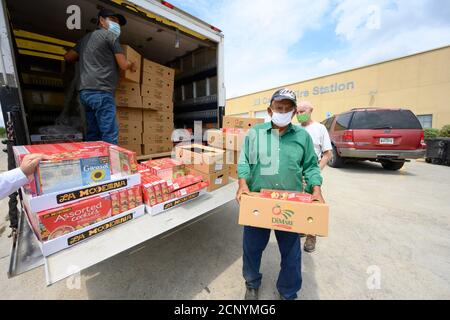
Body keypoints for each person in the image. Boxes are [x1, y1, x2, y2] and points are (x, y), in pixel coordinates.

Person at [236, 88, 324, 300]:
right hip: (259, 201)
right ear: (270, 110)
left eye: (287, 108)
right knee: (252, 248)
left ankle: (288, 292)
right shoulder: (256, 134)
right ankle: (252, 282)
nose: (283, 111)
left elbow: (311, 166)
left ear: (294, 112)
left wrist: (317, 189)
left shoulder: (302, 136)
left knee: (292, 253)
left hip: (291, 204)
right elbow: (244, 161)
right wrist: (242, 184)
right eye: (279, 108)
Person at [64, 9, 136, 145]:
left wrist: (87, 57)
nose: (116, 25)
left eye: (118, 23)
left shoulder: (85, 39)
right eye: (113, 20)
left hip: (85, 93)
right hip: (101, 91)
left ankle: (94, 163)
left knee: (93, 133)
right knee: (109, 133)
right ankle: (111, 164)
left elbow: (68, 57)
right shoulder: (110, 36)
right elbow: (123, 64)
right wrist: (132, 64)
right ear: (101, 20)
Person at [296, 101, 332, 253]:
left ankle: (312, 235)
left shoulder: (319, 128)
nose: (299, 114)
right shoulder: (295, 129)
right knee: (299, 202)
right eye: (297, 112)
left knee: (314, 202)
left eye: (302, 111)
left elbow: (327, 153)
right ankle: (303, 228)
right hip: (296, 172)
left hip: (311, 171)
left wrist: (315, 172)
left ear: (311, 110)